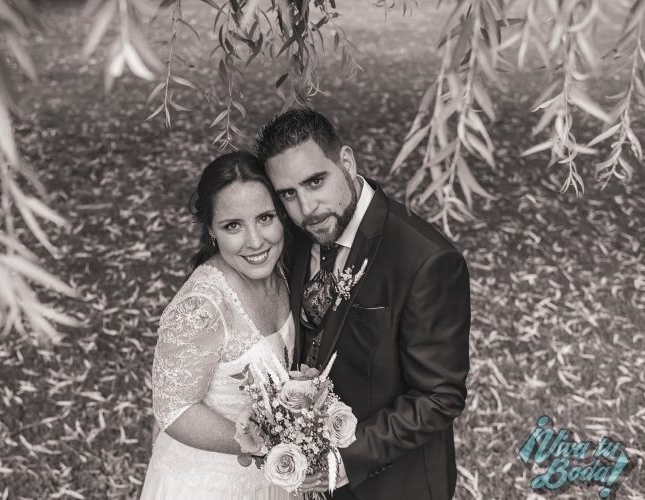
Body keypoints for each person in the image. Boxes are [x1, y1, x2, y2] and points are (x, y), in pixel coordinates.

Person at [255, 108, 471, 500]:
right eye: (288, 193)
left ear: (347, 162)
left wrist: (341, 458)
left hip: (395, 486)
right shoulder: (302, 233)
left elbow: (440, 396)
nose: (306, 208)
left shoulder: (426, 260)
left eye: (316, 181)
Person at [140, 151, 295, 500]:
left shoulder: (285, 269)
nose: (256, 241)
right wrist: (267, 440)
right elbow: (173, 410)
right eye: (233, 226)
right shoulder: (201, 307)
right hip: (209, 486)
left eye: (265, 217)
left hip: (275, 479)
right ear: (211, 230)